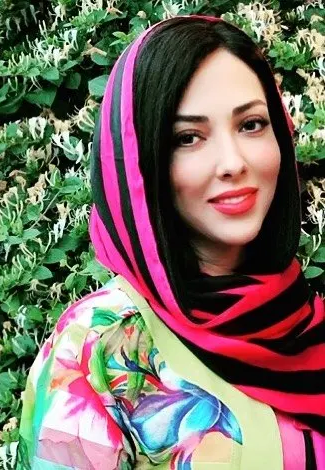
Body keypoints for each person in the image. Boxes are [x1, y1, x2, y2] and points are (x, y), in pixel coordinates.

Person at [16, 15, 325, 469]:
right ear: (141, 162)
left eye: (252, 125)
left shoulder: (302, 320)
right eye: (188, 137)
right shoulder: (96, 350)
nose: (232, 162)